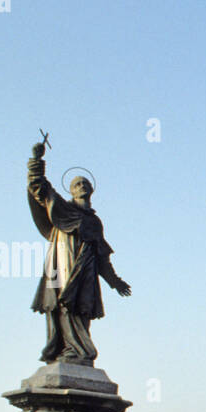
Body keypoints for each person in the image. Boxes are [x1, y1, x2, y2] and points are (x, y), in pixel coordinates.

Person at [26, 140, 131, 364]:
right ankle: (67, 349)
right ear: (71, 190)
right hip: (61, 266)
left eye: (84, 183)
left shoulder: (95, 222)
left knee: (81, 310)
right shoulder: (61, 209)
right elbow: (39, 187)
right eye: (77, 183)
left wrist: (115, 282)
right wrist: (37, 160)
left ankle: (76, 351)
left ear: (91, 189)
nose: (81, 185)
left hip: (85, 273)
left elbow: (102, 256)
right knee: (61, 306)